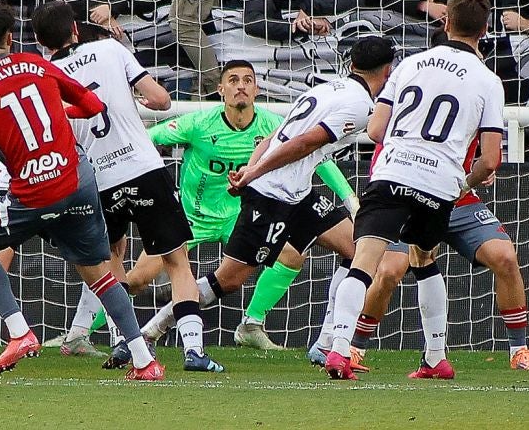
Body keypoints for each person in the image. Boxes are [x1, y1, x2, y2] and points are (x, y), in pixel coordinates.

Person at [0, 4, 162, 379]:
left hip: (34, 191)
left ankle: (20, 333)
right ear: (11, 39)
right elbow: (92, 105)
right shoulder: (38, 65)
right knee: (99, 271)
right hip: (78, 181)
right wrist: (61, 116)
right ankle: (144, 361)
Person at [137, 36, 385, 358]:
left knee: (356, 248)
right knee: (229, 279)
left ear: (352, 65)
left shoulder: (327, 88)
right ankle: (150, 331)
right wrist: (253, 176)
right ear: (388, 72)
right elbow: (302, 144)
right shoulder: (359, 106)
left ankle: (326, 344)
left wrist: (249, 171)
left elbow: (272, 137)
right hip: (271, 197)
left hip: (298, 193)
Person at [28, 3, 221, 372]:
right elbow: (162, 100)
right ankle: (193, 351)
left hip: (98, 178)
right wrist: (139, 102)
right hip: (142, 167)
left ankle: (127, 345)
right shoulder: (112, 49)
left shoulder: (46, 76)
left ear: (40, 41)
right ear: (74, 28)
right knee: (177, 261)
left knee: (112, 260)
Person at [323, 0, 505, 380]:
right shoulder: (489, 81)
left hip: (392, 173)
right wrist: (462, 183)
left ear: (446, 23)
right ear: (485, 30)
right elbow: (490, 159)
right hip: (439, 184)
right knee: (425, 261)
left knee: (364, 263)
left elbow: (375, 130)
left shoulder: (409, 64)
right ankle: (436, 357)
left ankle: (339, 352)